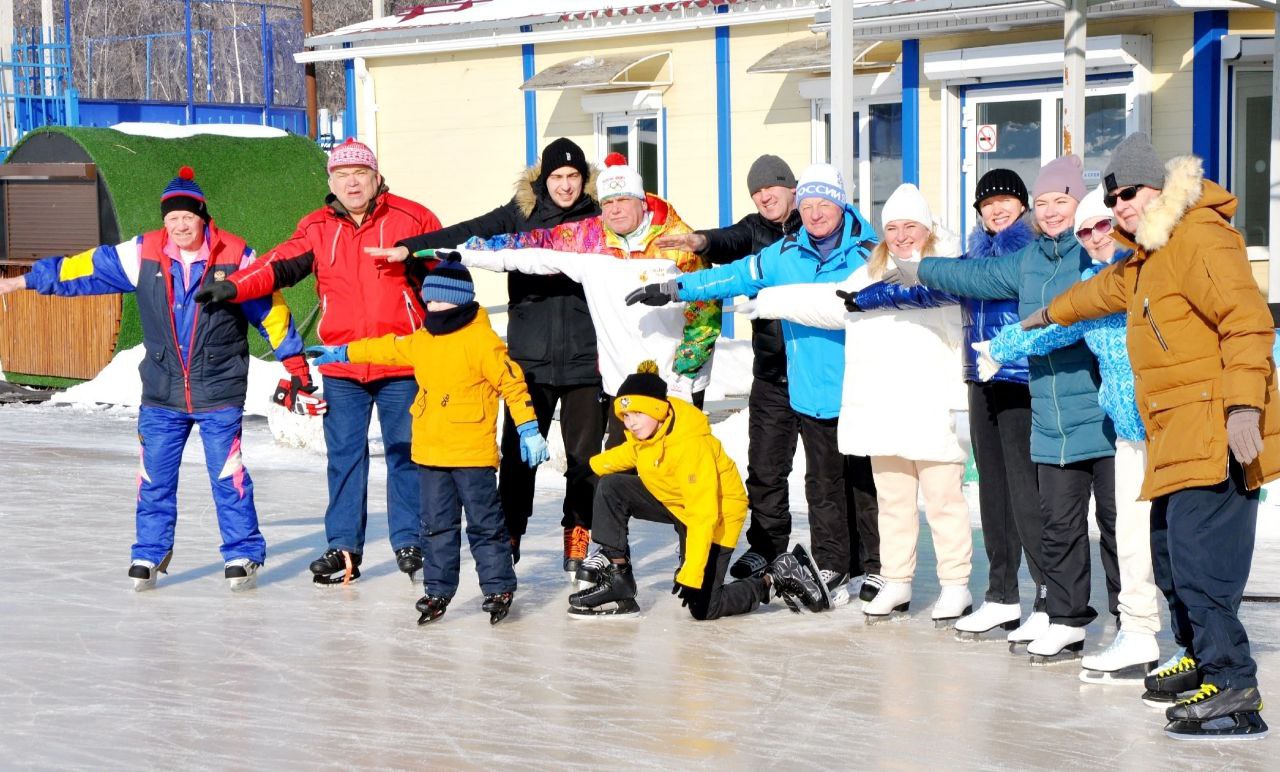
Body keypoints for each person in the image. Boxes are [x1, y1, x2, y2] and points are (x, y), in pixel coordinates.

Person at [1035, 133, 1277, 739]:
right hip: (1176, 431)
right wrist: (1049, 312)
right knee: (1171, 556)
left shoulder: (1199, 237)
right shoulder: (1148, 258)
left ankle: (1233, 686)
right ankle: (1198, 654)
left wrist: (1245, 408)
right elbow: (1101, 293)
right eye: (1112, 197)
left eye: (1129, 193)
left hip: (1217, 427)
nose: (1119, 207)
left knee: (1203, 566)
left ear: (1161, 189)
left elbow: (1248, 322)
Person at [0, 166, 315, 592]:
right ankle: (148, 553)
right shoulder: (143, 253)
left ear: (202, 216)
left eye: (188, 216)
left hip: (218, 389)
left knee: (229, 476)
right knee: (154, 477)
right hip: (162, 392)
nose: (180, 225)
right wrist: (20, 282)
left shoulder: (236, 257)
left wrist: (295, 365)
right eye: (172, 218)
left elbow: (271, 312)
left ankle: (242, 553)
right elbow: (81, 268)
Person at [881, 155, 1119, 662]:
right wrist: (904, 274)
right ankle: (1005, 593)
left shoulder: (1052, 252)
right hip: (984, 376)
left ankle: (1051, 600)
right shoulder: (993, 256)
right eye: (988, 203)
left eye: (1006, 200)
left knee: (1042, 500)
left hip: (1027, 380)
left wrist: (1006, 347)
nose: (997, 210)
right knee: (996, 491)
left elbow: (1065, 311)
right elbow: (959, 281)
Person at [625, 163, 880, 608]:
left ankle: (875, 566)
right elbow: (732, 274)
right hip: (810, 391)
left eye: (825, 203)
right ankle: (832, 563)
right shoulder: (785, 254)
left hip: (862, 389)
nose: (817, 213)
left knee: (865, 483)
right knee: (821, 484)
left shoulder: (871, 253)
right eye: (810, 205)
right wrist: (674, 288)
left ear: (841, 204)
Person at [195, 138, 443, 586]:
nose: (351, 182)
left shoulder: (412, 218)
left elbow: (442, 277)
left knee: (407, 452)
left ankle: (412, 540)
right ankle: (344, 547)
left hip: (402, 360)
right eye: (341, 175)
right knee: (345, 456)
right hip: (342, 363)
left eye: (359, 174)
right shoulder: (316, 227)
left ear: (375, 178)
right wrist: (234, 286)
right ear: (331, 181)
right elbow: (278, 263)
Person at [367, 138, 603, 571]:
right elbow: (466, 232)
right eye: (557, 177)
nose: (566, 186)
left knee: (585, 456)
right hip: (529, 357)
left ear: (584, 180)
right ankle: (509, 530)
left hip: (587, 359)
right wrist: (410, 247)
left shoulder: (600, 220)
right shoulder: (521, 214)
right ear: (543, 180)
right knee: (516, 456)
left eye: (573, 177)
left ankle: (578, 532)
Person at [746, 183, 974, 624]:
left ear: (927, 228)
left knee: (944, 501)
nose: (902, 235)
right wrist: (769, 300)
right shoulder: (874, 269)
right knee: (892, 501)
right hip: (884, 409)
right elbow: (833, 304)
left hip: (930, 408)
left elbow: (958, 329)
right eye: (892, 227)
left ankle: (955, 585)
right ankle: (896, 579)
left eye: (911, 226)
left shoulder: (947, 269)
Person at [977, 185, 1164, 684]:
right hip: (1128, 431)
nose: (1095, 236)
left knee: (1162, 541)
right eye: (1086, 230)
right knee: (1127, 537)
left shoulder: (1151, 271)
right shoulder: (1092, 282)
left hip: (1166, 426)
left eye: (1102, 224)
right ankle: (1132, 630)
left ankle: (1179, 637)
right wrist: (1000, 346)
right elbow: (1054, 325)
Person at [306, 262, 548, 625]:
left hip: (472, 454)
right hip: (431, 453)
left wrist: (528, 428)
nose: (432, 307)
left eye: (440, 301)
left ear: (460, 301)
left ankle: (498, 586)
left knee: (485, 525)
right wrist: (344, 354)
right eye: (429, 300)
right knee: (435, 527)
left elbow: (513, 384)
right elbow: (387, 348)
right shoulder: (424, 339)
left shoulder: (482, 341)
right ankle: (437, 590)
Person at [565, 361, 828, 618]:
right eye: (626, 416)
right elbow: (631, 453)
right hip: (675, 501)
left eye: (637, 414)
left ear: (657, 410)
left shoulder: (690, 446)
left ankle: (775, 578)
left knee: (704, 607)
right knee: (611, 487)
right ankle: (618, 577)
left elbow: (703, 515)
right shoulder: (648, 432)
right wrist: (590, 467)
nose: (630, 423)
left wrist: (691, 571)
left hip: (717, 512)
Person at [653, 154, 805, 582]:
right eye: (756, 191)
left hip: (821, 368)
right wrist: (700, 242)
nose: (764, 196)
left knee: (837, 471)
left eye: (771, 187)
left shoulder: (815, 225)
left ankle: (850, 556)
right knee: (765, 468)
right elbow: (728, 239)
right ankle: (767, 548)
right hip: (773, 369)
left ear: (792, 187)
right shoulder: (754, 228)